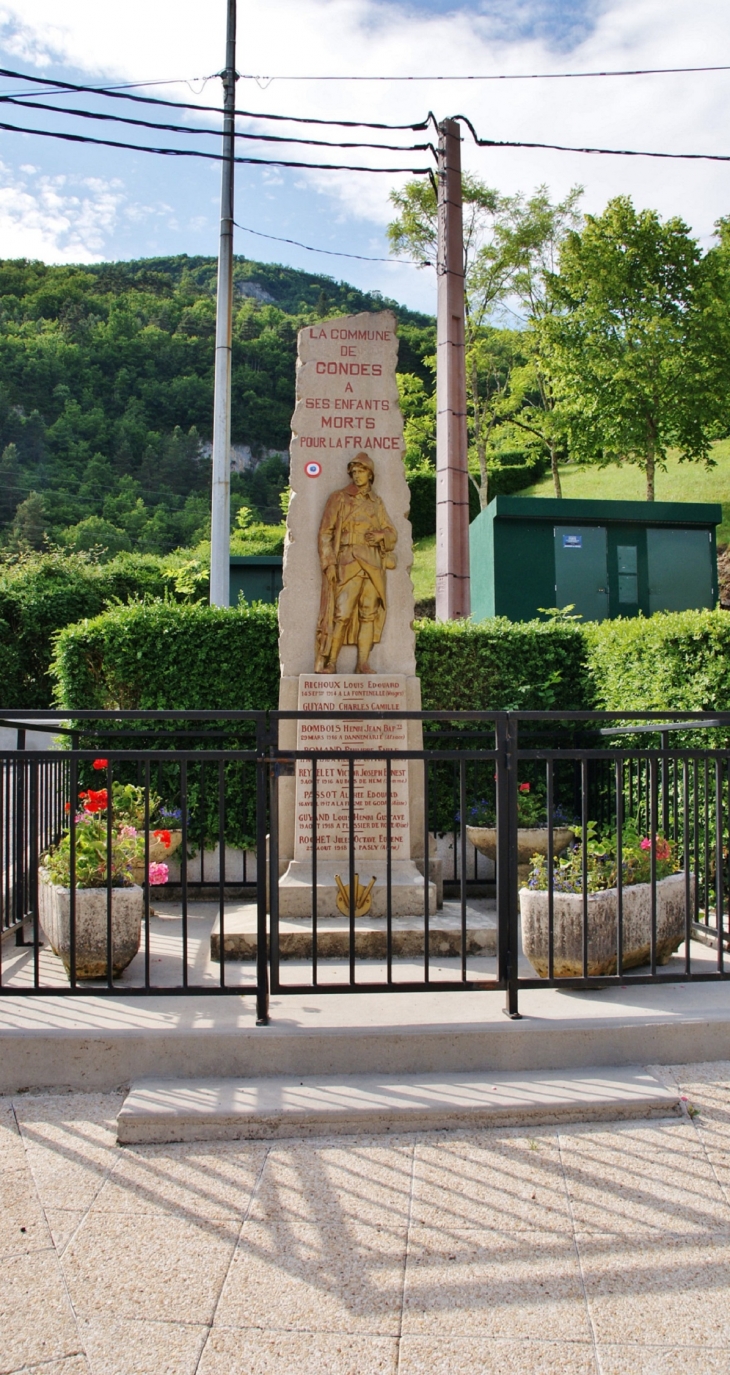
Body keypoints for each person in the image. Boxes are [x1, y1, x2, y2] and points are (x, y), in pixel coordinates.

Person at [314, 453, 397, 674]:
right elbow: (325, 533)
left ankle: (363, 663)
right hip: (347, 562)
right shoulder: (339, 498)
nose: (357, 476)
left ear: (371, 474)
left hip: (372, 563)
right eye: (355, 472)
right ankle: (331, 663)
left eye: (362, 471)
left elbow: (391, 533)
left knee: (368, 614)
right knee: (341, 614)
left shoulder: (376, 503)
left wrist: (381, 535)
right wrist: (329, 563)